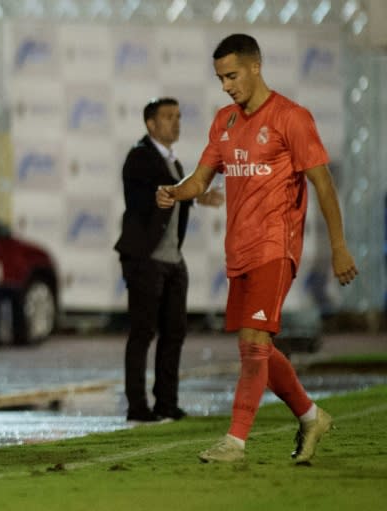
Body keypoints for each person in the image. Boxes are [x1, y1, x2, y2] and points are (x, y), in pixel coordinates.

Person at [156, 34, 357, 463]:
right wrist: (175, 191)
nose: (226, 85)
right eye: (220, 78)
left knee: (253, 345)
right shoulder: (224, 121)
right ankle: (310, 415)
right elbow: (201, 179)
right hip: (239, 251)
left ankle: (235, 441)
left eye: (231, 75)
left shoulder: (291, 118)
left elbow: (323, 183)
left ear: (255, 67)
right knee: (258, 348)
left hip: (275, 247)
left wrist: (338, 247)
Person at [115, 97, 223, 422]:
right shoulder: (140, 157)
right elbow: (142, 197)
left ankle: (166, 402)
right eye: (168, 117)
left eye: (178, 116)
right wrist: (181, 192)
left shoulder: (173, 162)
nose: (176, 122)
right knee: (143, 332)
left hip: (172, 259)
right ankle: (137, 406)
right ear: (150, 124)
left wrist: (200, 197)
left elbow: (175, 193)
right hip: (146, 258)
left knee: (174, 332)